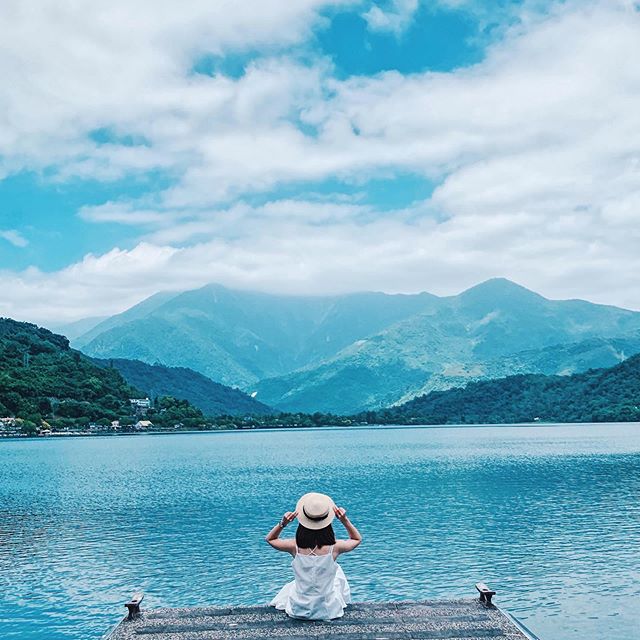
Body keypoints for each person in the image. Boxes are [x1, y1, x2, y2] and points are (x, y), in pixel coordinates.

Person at [266, 492, 362, 620]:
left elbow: (270, 539)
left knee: (293, 585)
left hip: (299, 609)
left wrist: (283, 523)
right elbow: (356, 539)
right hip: (327, 610)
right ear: (327, 522)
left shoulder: (294, 546)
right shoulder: (334, 548)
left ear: (303, 522)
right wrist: (344, 520)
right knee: (337, 572)